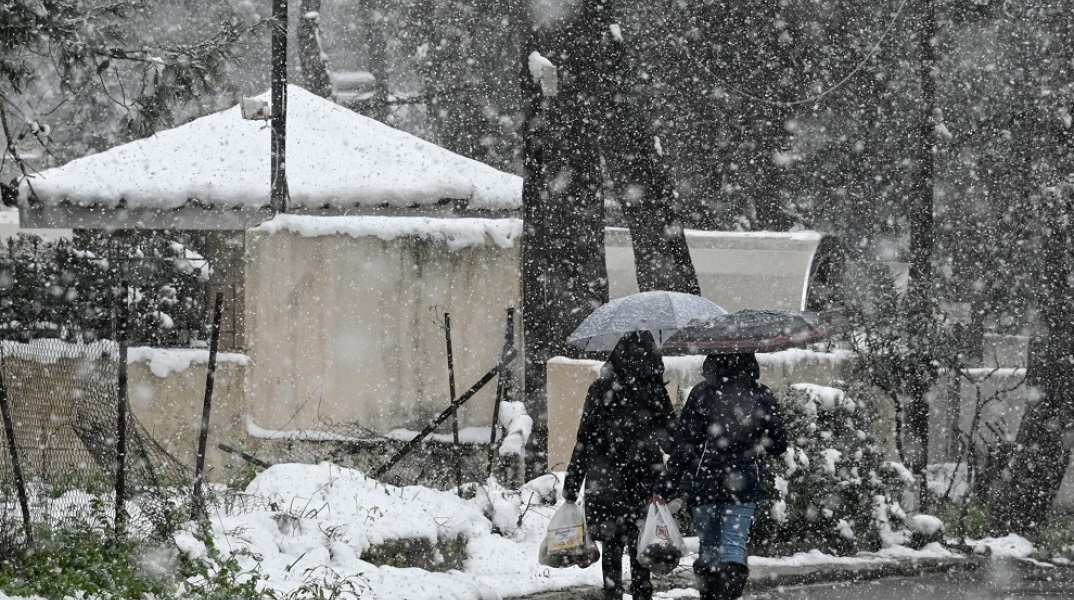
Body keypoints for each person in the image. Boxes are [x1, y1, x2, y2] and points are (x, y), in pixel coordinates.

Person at [654, 352, 788, 600]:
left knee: (709, 548)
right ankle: (728, 595)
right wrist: (756, 437)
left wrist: (666, 485)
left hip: (704, 481)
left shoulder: (702, 393)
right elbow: (779, 444)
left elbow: (685, 445)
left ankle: (710, 594)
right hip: (744, 483)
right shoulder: (760, 394)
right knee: (734, 545)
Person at [561, 330, 676, 600]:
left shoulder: (601, 389)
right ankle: (642, 594)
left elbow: (584, 440)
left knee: (612, 546)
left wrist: (572, 485)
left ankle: (612, 593)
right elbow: (671, 442)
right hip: (644, 478)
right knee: (642, 542)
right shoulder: (655, 391)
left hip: (605, 480)